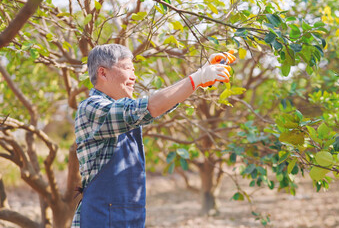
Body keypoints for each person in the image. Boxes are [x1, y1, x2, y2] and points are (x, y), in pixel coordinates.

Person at [71, 44, 235, 227]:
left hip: (130, 219)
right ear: (103, 73)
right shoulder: (92, 107)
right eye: (127, 69)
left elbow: (159, 103)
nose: (134, 77)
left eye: (134, 70)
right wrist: (198, 78)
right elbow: (151, 106)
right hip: (99, 219)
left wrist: (201, 73)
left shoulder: (124, 112)